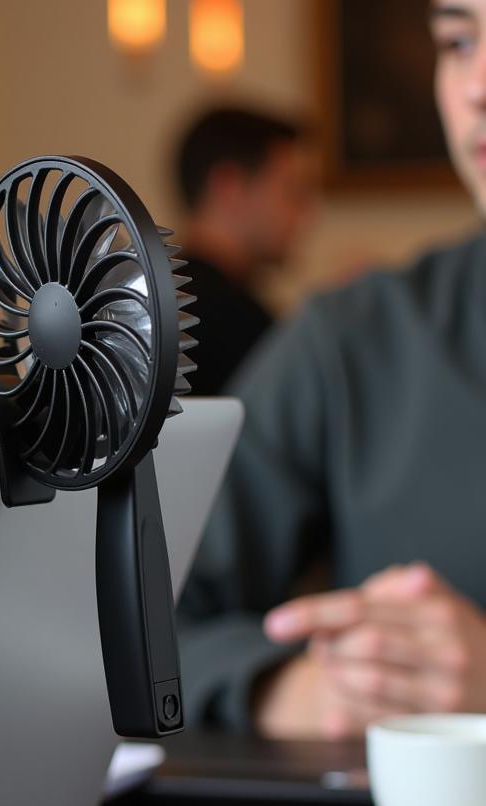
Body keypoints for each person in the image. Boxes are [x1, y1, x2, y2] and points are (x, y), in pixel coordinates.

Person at [178, 0, 486, 740]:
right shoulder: (354, 342)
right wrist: (294, 688)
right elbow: (128, 623)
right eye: (459, 40)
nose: (479, 85)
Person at [174, 105, 315, 395]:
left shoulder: (146, 301)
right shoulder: (238, 325)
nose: (306, 214)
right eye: (292, 190)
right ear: (230, 186)